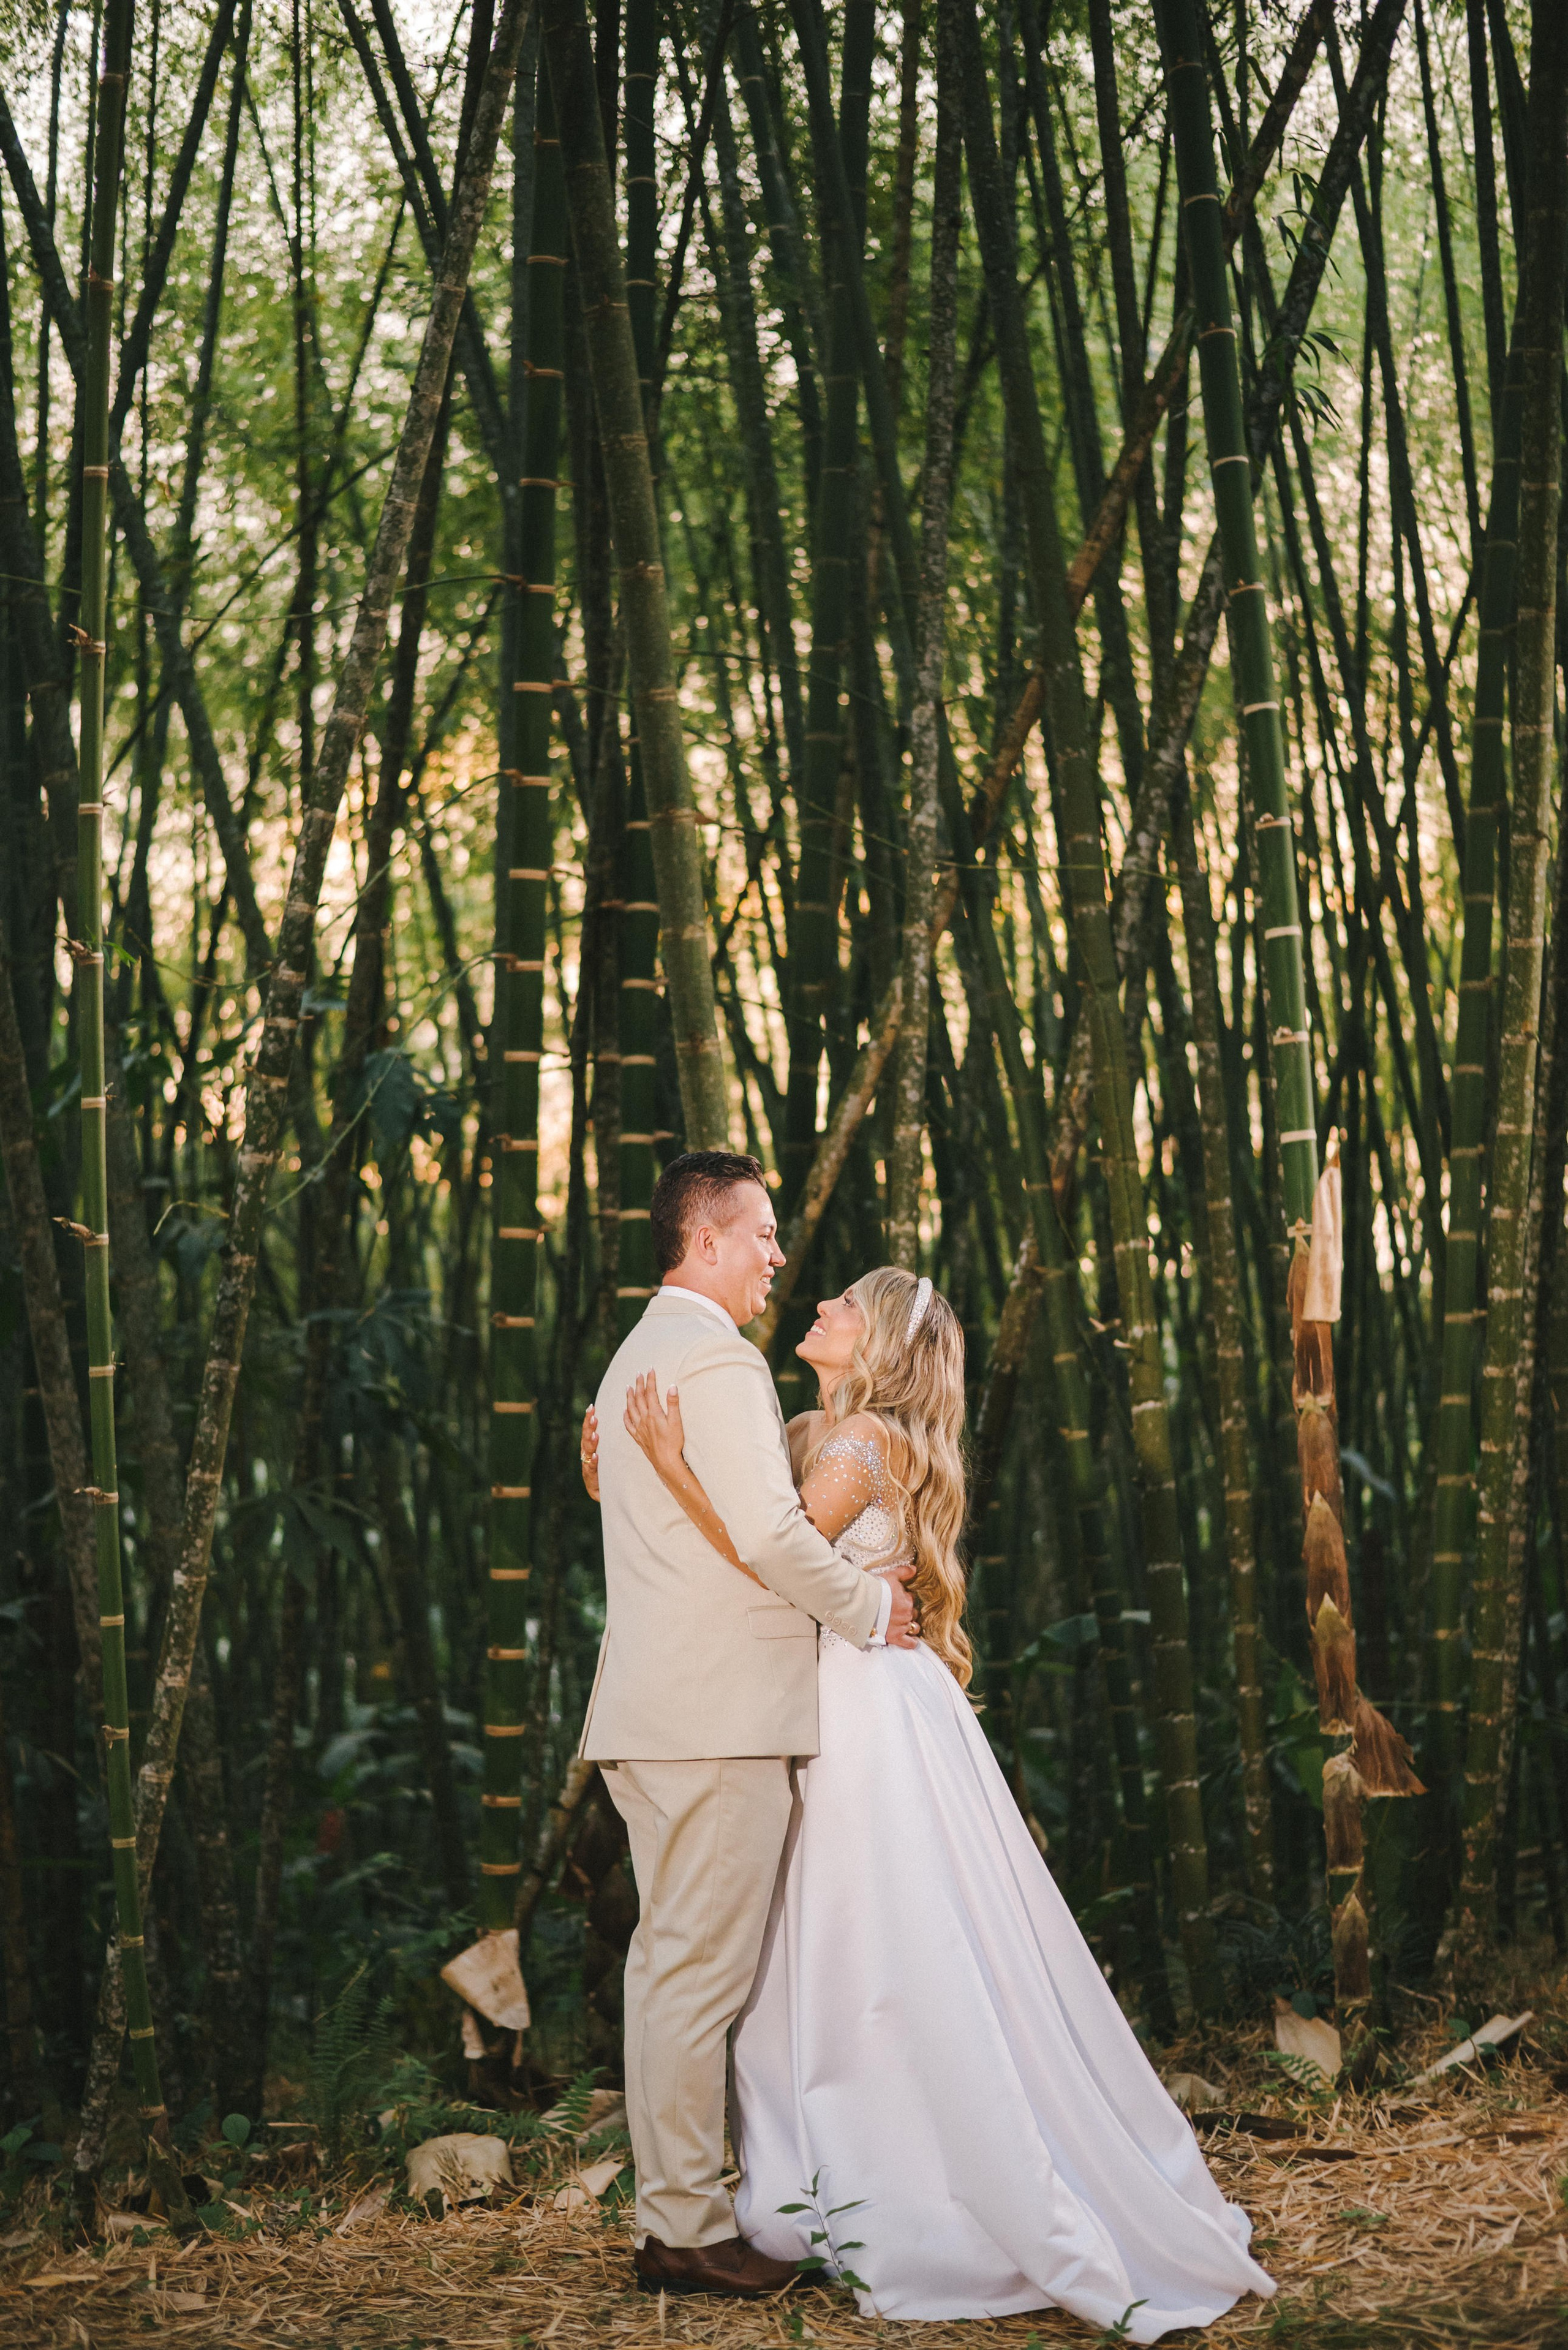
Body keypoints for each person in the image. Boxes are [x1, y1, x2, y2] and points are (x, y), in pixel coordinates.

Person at [586, 1258, 1275, 2341]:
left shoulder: (867, 1443)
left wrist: (667, 1463)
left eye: (845, 1305)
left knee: (880, 1950)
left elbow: (772, 1558)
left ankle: (915, 2183)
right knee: (808, 1956)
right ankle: (826, 2179)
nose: (818, 1304)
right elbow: (745, 1522)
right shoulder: (815, 1432)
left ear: (885, 1345)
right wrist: (623, 1468)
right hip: (816, 1700)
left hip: (862, 1713)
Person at [575, 1150, 919, 2302]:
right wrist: (874, 1607)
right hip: (711, 1715)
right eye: (763, 1234)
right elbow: (774, 1540)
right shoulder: (717, 1360)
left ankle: (681, 2211)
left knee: (669, 1965)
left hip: (659, 1708)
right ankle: (683, 2229)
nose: (780, 1255)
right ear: (706, 1241)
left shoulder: (638, 1354)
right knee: (694, 1975)